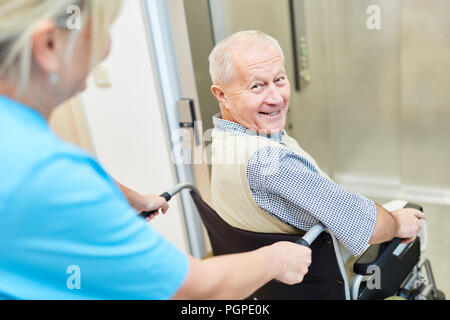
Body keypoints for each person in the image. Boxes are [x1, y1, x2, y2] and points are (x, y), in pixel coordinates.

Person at [0, 1, 312, 300]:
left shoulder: (20, 143)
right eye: (100, 33)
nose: (106, 48)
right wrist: (276, 260)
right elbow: (192, 290)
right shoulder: (46, 171)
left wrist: (132, 199)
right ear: (49, 45)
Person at [209, 31, 425, 258]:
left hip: (265, 281)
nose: (276, 98)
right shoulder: (271, 164)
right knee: (401, 216)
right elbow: (363, 225)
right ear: (221, 95)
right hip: (321, 276)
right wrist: (398, 223)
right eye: (256, 86)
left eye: (279, 79)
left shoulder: (222, 139)